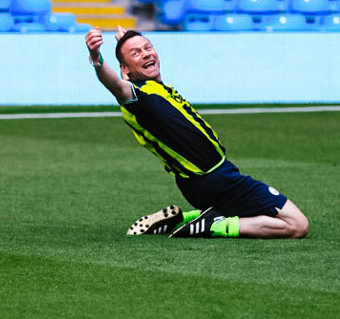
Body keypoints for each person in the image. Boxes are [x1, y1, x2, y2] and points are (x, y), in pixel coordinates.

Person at [85, 26, 308, 240]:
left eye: (148, 47)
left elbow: (127, 73)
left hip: (205, 181)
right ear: (125, 69)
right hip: (215, 180)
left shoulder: (154, 87)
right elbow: (115, 85)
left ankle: (188, 218)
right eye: (136, 53)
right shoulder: (137, 97)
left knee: (254, 212)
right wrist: (97, 58)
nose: (146, 54)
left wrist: (127, 43)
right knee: (297, 224)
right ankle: (215, 225)